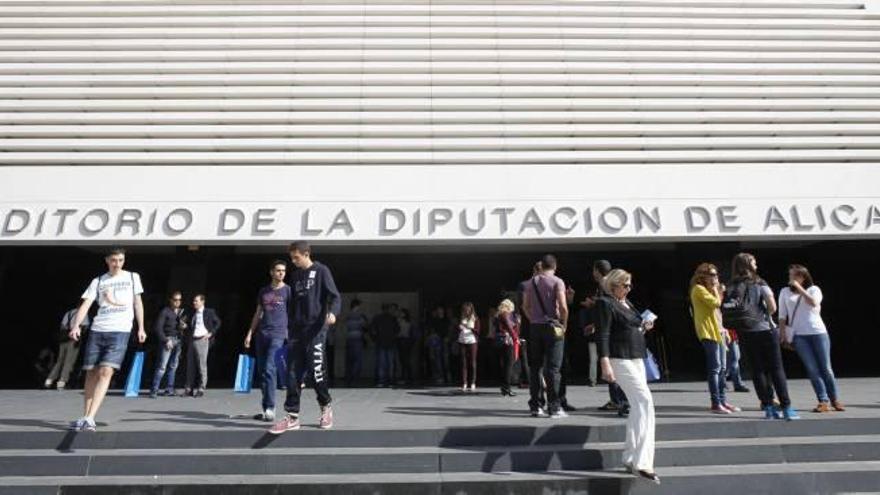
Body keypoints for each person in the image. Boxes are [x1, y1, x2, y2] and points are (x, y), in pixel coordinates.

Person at [67, 247, 146, 432]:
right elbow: (86, 303)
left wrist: (141, 328)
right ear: (107, 261)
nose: (117, 264)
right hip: (98, 328)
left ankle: (91, 416)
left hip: (120, 330)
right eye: (114, 260)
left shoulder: (132, 277)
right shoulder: (99, 280)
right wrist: (76, 325)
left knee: (106, 371)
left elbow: (138, 303)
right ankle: (85, 415)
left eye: (120, 260)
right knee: (91, 372)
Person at [596, 269, 660, 484]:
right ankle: (642, 463)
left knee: (639, 406)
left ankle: (631, 458)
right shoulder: (605, 303)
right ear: (614, 284)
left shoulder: (627, 303)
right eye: (625, 285)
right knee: (644, 401)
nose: (628, 288)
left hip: (636, 357)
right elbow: (603, 333)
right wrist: (604, 362)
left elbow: (631, 327)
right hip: (619, 358)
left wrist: (644, 326)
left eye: (630, 285)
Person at [270, 241, 341, 433]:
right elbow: (293, 304)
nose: (293, 262)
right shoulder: (295, 275)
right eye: (291, 258)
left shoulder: (321, 271)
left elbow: (335, 296)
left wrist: (333, 313)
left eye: (296, 257)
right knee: (292, 373)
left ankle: (325, 407)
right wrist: (289, 328)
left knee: (317, 372)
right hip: (297, 332)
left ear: (307, 254)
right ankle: (292, 416)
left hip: (316, 330)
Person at [725, 253, 799, 420]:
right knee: (776, 369)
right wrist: (761, 312)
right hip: (765, 330)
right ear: (748, 265)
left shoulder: (731, 285)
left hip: (745, 332)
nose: (756, 265)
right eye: (754, 262)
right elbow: (772, 307)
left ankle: (768, 408)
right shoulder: (759, 282)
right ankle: (787, 407)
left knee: (757, 370)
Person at [778, 264, 844, 413]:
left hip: (818, 333)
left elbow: (814, 302)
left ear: (802, 277)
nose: (791, 278)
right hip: (799, 335)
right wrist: (782, 333)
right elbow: (782, 315)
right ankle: (823, 400)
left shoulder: (814, 289)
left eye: (795, 275)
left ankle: (835, 399)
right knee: (812, 369)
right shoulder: (784, 292)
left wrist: (800, 289)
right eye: (790, 275)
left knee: (826, 368)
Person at [522, 254, 569, 419]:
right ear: (555, 266)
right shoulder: (557, 281)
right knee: (553, 368)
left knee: (535, 368)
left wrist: (533, 319)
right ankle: (554, 407)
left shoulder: (530, 283)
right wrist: (564, 325)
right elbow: (563, 307)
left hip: (535, 328)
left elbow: (525, 306)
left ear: (541, 266)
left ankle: (535, 406)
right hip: (553, 326)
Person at [244, 260, 291, 422]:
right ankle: (266, 409)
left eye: (283, 271)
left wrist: (291, 335)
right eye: (278, 270)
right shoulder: (263, 291)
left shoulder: (288, 291)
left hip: (278, 335)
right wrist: (250, 333)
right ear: (271, 272)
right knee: (263, 372)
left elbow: (292, 313)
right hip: (261, 335)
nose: (281, 273)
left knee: (270, 369)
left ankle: (271, 408)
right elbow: (258, 313)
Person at [689, 263, 740, 414]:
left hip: (719, 331)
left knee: (723, 368)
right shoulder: (698, 289)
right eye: (711, 275)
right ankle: (716, 402)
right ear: (701, 276)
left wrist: (724, 330)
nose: (715, 278)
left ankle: (723, 401)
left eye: (716, 275)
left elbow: (718, 311)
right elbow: (715, 303)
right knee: (715, 368)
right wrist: (718, 290)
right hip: (708, 332)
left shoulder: (710, 290)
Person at [588, 260, 630, 416]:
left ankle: (619, 400)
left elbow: (607, 309)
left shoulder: (604, 284)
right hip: (614, 333)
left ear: (597, 271)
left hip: (612, 335)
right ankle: (619, 400)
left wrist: (593, 306)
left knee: (614, 369)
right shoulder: (609, 285)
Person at [185, 294, 221, 398]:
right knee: (190, 365)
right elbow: (190, 326)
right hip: (192, 339)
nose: (194, 303)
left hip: (202, 339)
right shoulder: (192, 313)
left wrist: (211, 333)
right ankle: (189, 388)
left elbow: (218, 323)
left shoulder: (209, 312)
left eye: (196, 301)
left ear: (202, 302)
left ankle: (201, 388)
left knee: (202, 364)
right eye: (193, 301)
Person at [46, 306, 91, 390]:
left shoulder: (69, 313)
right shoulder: (83, 313)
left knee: (60, 359)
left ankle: (49, 379)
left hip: (64, 338)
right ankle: (62, 381)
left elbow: (62, 325)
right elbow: (85, 326)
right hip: (74, 339)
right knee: (69, 360)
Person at [495, 299, 521, 397]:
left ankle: (504, 387)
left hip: (502, 342)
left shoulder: (499, 315)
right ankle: (507, 388)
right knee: (509, 365)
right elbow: (510, 328)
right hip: (507, 342)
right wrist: (515, 338)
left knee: (506, 365)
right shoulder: (505, 315)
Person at [371, 304, 400, 387]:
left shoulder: (377, 318)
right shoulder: (393, 318)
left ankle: (381, 381)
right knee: (390, 363)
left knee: (381, 363)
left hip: (380, 343)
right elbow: (398, 329)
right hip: (390, 343)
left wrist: (375, 339)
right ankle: (390, 380)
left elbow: (372, 330)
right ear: (388, 309)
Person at [344, 299, 369, 387]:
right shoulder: (360, 316)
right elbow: (365, 326)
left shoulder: (347, 316)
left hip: (349, 339)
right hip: (357, 339)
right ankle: (355, 379)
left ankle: (349, 379)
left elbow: (346, 327)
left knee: (349, 360)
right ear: (357, 306)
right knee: (357, 360)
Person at [457, 302, 480, 392]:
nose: (466, 311)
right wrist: (459, 327)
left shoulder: (475, 318)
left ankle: (473, 382)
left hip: (472, 341)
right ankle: (464, 383)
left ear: (471, 310)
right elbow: (458, 329)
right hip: (462, 341)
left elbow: (478, 331)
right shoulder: (462, 318)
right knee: (463, 363)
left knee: (472, 362)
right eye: (464, 310)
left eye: (467, 310)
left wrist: (470, 327)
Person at [397, 308, 414, 384]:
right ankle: (409, 377)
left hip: (403, 340)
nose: (400, 314)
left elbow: (399, 331)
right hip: (406, 341)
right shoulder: (409, 321)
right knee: (405, 360)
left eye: (401, 313)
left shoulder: (401, 321)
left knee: (404, 360)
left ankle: (405, 377)